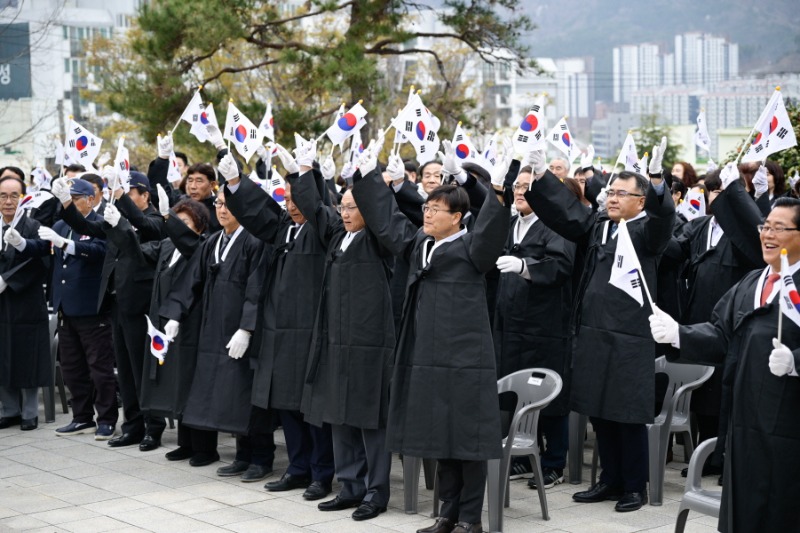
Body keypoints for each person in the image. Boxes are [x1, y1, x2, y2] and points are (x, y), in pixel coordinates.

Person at [355, 139, 512, 533]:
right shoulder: (421, 244)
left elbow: (491, 229)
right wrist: (369, 176)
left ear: (457, 218)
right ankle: (447, 513)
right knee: (440, 435)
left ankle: (470, 519)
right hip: (426, 355)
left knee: (467, 439)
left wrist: (496, 189)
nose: (426, 213)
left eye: (435, 210)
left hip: (465, 359)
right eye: (426, 207)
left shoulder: (473, 249)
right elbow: (389, 224)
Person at [524, 140, 675, 512]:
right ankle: (609, 479)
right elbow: (566, 212)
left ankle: (634, 486)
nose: (612, 198)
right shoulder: (600, 226)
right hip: (592, 330)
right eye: (611, 192)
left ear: (640, 201)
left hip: (629, 335)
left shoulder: (648, 231)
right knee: (599, 408)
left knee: (627, 413)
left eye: (622, 194)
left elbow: (663, 219)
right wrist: (541, 176)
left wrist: (657, 180)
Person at [649, 194, 800, 533]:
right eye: (765, 226)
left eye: (780, 228)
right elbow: (719, 334)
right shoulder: (751, 283)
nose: (768, 235)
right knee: (743, 508)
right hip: (743, 422)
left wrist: (795, 362)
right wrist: (678, 334)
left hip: (788, 428)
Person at [285, 142, 395, 522]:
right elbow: (316, 209)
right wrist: (305, 170)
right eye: (343, 207)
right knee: (339, 415)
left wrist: (367, 178)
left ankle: (376, 491)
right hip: (335, 340)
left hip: (369, 344)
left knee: (369, 420)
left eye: (353, 207)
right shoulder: (337, 237)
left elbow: (385, 215)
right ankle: (350, 486)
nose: (345, 213)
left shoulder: (379, 241)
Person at [221, 154, 335, 500]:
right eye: (287, 198)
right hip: (279, 331)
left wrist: (302, 175)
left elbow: (316, 208)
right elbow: (257, 213)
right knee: (286, 405)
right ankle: (297, 468)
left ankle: (321, 474)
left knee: (312, 408)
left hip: (311, 332)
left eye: (298, 198)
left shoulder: (324, 228)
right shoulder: (284, 228)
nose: (292, 205)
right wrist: (235, 182)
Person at [161, 186, 274, 482]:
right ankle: (242, 455)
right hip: (215, 328)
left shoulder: (255, 241)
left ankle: (261, 457)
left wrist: (246, 328)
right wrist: (175, 314)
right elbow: (193, 279)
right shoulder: (213, 241)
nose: (222, 210)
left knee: (248, 393)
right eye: (219, 204)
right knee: (230, 394)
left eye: (229, 205)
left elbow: (257, 287)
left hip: (243, 331)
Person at [53, 171, 167, 450]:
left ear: (145, 195)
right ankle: (133, 425)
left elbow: (142, 228)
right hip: (115, 301)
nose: (124, 197)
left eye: (129, 192)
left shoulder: (154, 219)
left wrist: (118, 197)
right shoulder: (118, 216)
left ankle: (153, 426)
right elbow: (87, 226)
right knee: (124, 370)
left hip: (140, 303)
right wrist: (66, 202)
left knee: (142, 368)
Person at [492, 166, 577, 489]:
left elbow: (561, 265)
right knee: (517, 392)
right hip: (509, 322)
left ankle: (555, 461)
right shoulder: (511, 224)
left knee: (548, 395)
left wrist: (525, 266)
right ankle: (523, 456)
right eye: (517, 186)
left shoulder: (555, 225)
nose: (519, 191)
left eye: (527, 186)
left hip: (544, 324)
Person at [40, 179, 118, 440]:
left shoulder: (101, 223)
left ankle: (106, 419)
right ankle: (82, 417)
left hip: (91, 307)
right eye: (68, 199)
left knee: (100, 368)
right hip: (66, 306)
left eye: (75, 199)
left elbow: (98, 251)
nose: (70, 204)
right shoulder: (61, 225)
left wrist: (65, 244)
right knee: (72, 368)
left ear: (91, 199)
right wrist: (21, 244)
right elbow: (47, 252)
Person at [0, 175, 51, 431]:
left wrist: (7, 279)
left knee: (27, 355)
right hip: (1, 304)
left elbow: (40, 259)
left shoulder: (33, 226)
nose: (8, 201)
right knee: (2, 355)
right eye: (3, 196)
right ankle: (9, 410)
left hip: (26, 301)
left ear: (23, 197)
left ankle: (30, 412)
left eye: (14, 196)